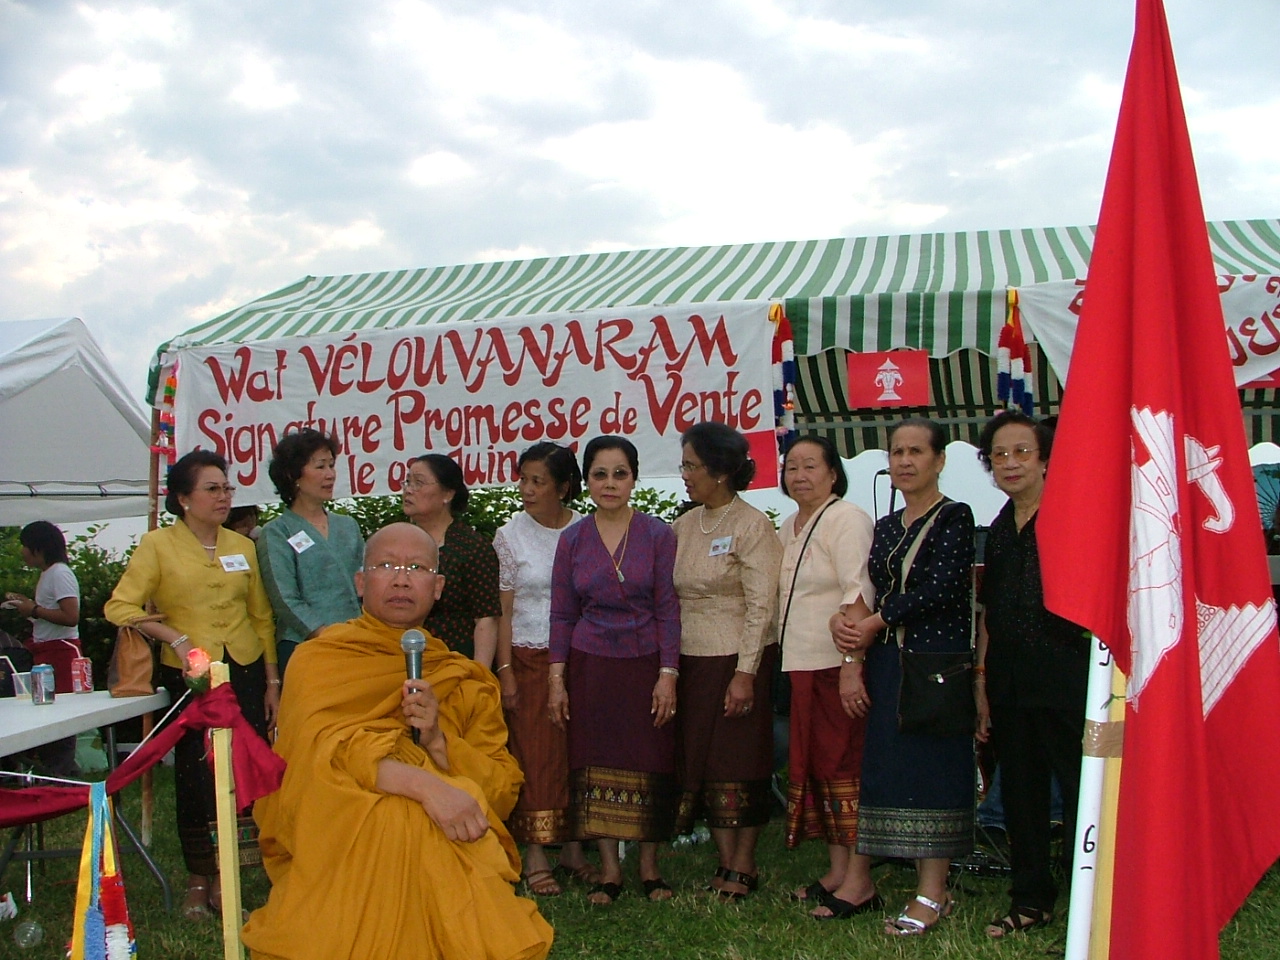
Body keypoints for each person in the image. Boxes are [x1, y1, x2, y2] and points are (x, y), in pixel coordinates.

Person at [241, 523, 553, 960]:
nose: (402, 578)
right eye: (386, 565)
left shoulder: (463, 678)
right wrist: (425, 786)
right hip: (340, 816)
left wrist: (440, 742)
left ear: (438, 586)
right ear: (361, 582)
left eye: (417, 567)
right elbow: (313, 757)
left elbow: (502, 790)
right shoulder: (319, 659)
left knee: (422, 815)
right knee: (399, 817)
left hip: (426, 812)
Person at [105, 449, 278, 921]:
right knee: (196, 778)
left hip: (242, 670)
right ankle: (198, 878)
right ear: (183, 498)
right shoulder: (158, 545)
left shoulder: (242, 547)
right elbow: (119, 607)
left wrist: (271, 681)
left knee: (242, 773)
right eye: (212, 488)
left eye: (227, 488)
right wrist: (174, 637)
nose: (224, 496)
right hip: (190, 678)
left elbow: (261, 618)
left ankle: (231, 876)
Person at [835, 417, 976, 936]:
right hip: (890, 665)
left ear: (939, 461)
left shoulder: (955, 518)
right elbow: (869, 587)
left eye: (917, 451)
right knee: (892, 770)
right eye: (897, 452)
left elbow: (939, 589)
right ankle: (900, 884)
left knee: (932, 772)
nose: (905, 461)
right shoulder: (889, 525)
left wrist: (873, 623)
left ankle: (932, 894)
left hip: (935, 666)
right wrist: (849, 627)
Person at [548, 436, 680, 905]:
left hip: (645, 664)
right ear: (586, 481)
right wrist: (556, 680)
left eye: (619, 473)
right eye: (600, 474)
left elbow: (668, 609)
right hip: (591, 665)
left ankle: (648, 868)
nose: (609, 483)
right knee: (595, 761)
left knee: (651, 760)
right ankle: (608, 870)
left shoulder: (658, 535)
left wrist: (668, 674)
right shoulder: (573, 539)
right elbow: (562, 613)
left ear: (634, 478)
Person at [974, 411, 1088, 938]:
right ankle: (1031, 899)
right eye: (999, 454)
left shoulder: (1074, 517)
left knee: (1081, 789)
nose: (1010, 463)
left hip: (1067, 678)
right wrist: (982, 688)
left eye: (1022, 452)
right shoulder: (997, 528)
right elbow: (990, 615)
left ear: (1045, 458)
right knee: (1020, 794)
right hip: (1008, 681)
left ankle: (1098, 900)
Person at [671, 422, 781, 901]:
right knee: (704, 762)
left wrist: (744, 672)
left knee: (741, 761)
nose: (686, 475)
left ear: (719, 471)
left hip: (739, 660)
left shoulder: (752, 524)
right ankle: (722, 856)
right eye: (685, 465)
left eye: (692, 466)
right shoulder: (682, 525)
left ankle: (744, 862)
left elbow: (763, 604)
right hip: (691, 660)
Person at [776, 436, 881, 920]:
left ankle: (860, 881)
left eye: (810, 465)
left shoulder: (847, 518)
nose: (799, 474)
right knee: (819, 768)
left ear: (833, 473)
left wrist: (850, 667)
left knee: (845, 769)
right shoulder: (787, 527)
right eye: (791, 466)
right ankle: (837, 872)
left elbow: (858, 593)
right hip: (800, 666)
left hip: (834, 666)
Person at [492, 442, 598, 896]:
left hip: (579, 656)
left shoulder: (587, 530)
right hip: (527, 655)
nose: (527, 490)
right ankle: (535, 854)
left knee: (576, 752)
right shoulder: (509, 535)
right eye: (523, 479)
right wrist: (505, 670)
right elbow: (503, 611)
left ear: (564, 487)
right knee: (534, 752)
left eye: (537, 481)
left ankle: (574, 847)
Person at [257, 429, 364, 677]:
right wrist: (323, 633)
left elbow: (366, 579)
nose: (330, 474)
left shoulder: (347, 526)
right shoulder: (277, 532)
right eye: (320, 466)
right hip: (304, 646)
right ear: (292, 475)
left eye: (331, 465)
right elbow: (284, 598)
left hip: (356, 642)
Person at [402, 454, 501, 664]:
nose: (409, 490)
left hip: (455, 661)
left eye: (418, 483)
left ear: (447, 493)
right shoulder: (398, 542)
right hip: (400, 657)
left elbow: (486, 618)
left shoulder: (472, 547)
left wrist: (479, 676)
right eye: (408, 481)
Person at [6, 521, 82, 776]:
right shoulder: (47, 574)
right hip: (46, 651)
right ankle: (56, 772)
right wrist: (28, 607)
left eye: (25, 546)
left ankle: (64, 773)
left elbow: (71, 616)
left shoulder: (60, 573)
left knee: (58, 715)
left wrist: (34, 610)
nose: (22, 552)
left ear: (38, 548)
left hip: (60, 652)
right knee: (48, 711)